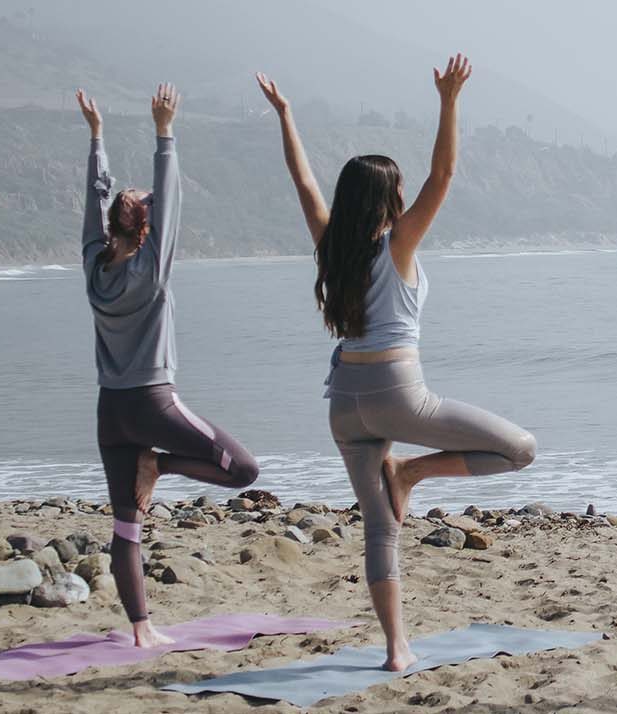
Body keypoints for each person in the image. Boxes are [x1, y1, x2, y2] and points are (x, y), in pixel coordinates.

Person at [256, 55, 537, 672]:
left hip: (343, 406)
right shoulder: (399, 243)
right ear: (390, 197)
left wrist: (285, 115)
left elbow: (302, 183)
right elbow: (445, 174)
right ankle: (410, 473)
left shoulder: (331, 245)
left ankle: (396, 649)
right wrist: (449, 100)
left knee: (379, 530)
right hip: (396, 394)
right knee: (520, 450)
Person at [76, 85, 262, 648]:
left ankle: (141, 629)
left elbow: (93, 199)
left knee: (126, 525)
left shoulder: (93, 265)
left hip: (111, 412)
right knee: (243, 470)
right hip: (155, 405)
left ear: (112, 228)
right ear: (148, 231)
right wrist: (165, 132)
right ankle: (160, 466)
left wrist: (98, 139)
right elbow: (171, 195)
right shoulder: (153, 270)